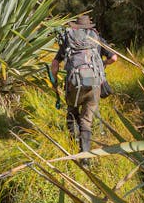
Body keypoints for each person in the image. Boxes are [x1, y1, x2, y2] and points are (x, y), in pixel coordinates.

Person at [50, 14, 118, 156]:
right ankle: (85, 156)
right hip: (93, 83)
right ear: (89, 26)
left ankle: (72, 146)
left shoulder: (69, 39)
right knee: (86, 120)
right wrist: (104, 64)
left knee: (72, 110)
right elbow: (114, 58)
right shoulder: (96, 38)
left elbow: (55, 64)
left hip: (74, 83)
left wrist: (55, 82)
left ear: (76, 26)